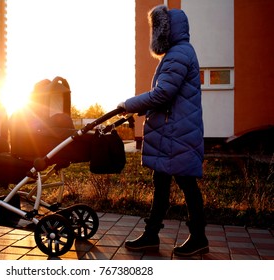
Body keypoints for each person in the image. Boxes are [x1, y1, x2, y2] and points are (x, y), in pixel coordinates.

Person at [117, 5, 208, 257]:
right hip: (174, 131)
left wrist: (129, 104)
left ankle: (198, 237)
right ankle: (151, 235)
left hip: (176, 134)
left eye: (157, 28)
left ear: (166, 30)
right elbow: (168, 97)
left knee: (186, 184)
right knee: (163, 183)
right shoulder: (179, 53)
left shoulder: (179, 54)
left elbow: (163, 93)